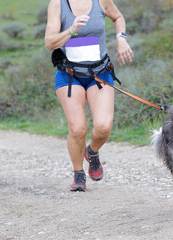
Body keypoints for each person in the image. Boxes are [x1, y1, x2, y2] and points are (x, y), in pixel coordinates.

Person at [45, 0, 133, 191]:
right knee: (77, 129)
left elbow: (118, 17)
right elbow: (49, 42)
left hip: (100, 73)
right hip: (69, 75)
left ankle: (92, 152)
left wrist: (121, 38)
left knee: (103, 127)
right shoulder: (58, 4)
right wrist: (71, 30)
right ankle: (78, 174)